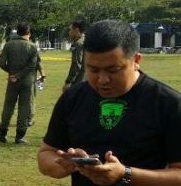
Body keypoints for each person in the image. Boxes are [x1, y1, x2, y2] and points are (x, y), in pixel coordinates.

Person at [37, 20, 181, 185]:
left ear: (136, 60)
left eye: (113, 70)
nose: (102, 80)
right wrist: (66, 165)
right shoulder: (72, 98)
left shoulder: (169, 104)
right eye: (93, 70)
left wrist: (126, 174)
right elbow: (46, 153)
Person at [0, 23, 38, 144]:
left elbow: (0, 62)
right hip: (27, 81)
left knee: (8, 107)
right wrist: (19, 76)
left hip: (12, 81)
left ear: (17, 32)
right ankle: (20, 136)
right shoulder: (33, 47)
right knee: (24, 108)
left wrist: (12, 73)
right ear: (28, 33)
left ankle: (2, 134)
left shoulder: (9, 45)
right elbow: (32, 65)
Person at [63, 20, 86, 92]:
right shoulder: (86, 39)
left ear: (76, 30)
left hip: (79, 81)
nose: (69, 32)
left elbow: (76, 64)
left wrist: (68, 82)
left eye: (70, 30)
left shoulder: (78, 44)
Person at [28, 43, 46, 127]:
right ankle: (29, 118)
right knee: (30, 98)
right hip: (30, 77)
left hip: (18, 77)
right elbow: (38, 62)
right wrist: (42, 74)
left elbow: (38, 61)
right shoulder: (33, 47)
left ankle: (27, 118)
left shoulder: (13, 45)